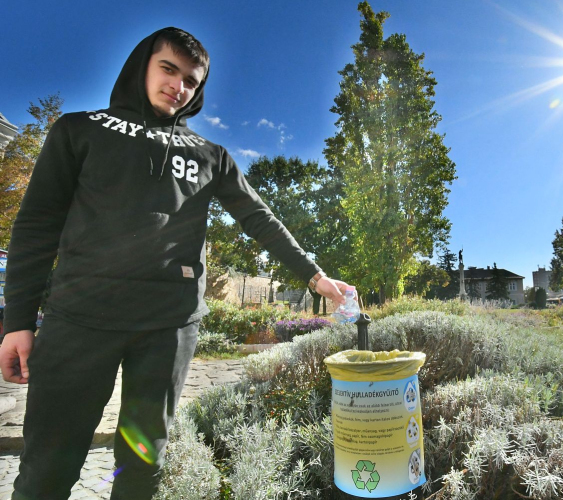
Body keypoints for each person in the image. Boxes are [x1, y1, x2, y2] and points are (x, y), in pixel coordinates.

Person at [0, 27, 349, 499]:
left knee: (144, 465)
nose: (178, 86)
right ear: (143, 64)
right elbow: (37, 225)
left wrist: (315, 275)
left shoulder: (210, 155)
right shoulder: (79, 130)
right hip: (80, 319)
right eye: (169, 69)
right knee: (47, 467)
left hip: (168, 326)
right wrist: (17, 320)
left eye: (191, 80)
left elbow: (258, 218)